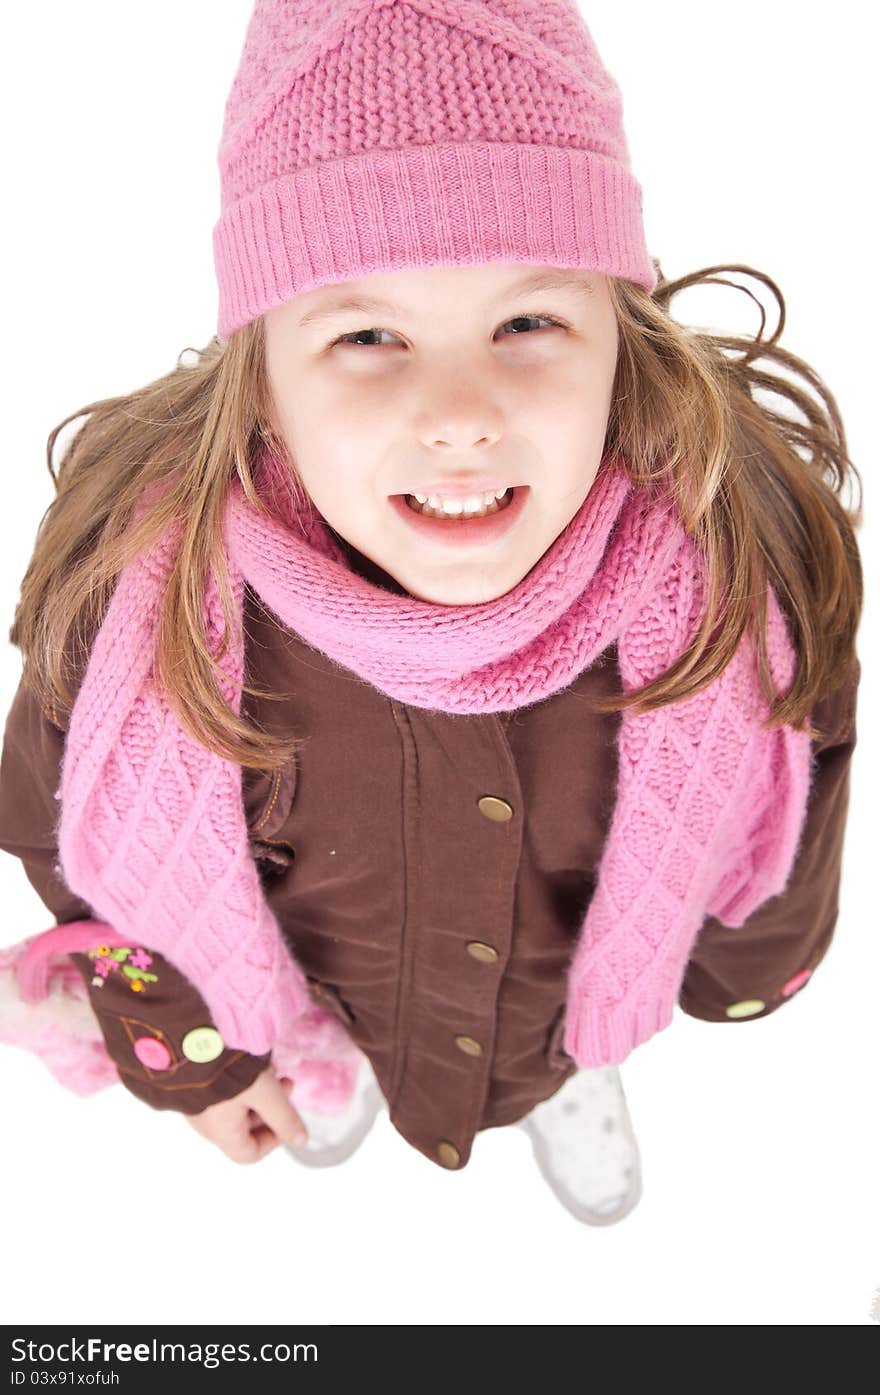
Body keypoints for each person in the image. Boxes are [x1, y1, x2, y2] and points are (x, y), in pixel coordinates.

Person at [0, 0, 863, 1228]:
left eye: (527, 322)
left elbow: (798, 780)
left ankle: (576, 1059)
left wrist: (734, 967)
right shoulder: (140, 602)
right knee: (325, 1027)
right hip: (320, 982)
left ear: (622, 328)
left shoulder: (736, 558)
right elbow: (69, 845)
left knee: (571, 1020)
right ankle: (326, 1049)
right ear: (261, 371)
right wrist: (201, 1050)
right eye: (365, 334)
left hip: (572, 980)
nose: (457, 414)